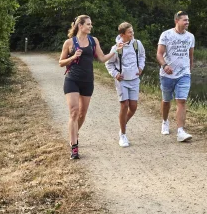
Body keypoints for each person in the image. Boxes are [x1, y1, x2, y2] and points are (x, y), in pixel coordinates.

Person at [59, 15, 122, 160]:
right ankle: (74, 147)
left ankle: (74, 132)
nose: (90, 26)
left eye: (91, 24)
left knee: (82, 114)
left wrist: (115, 51)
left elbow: (102, 58)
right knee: (74, 112)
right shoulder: (69, 42)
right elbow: (61, 62)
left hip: (87, 81)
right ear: (80, 26)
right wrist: (73, 57)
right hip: (72, 80)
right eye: (88, 24)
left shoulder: (93, 41)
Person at [105, 22, 146, 148]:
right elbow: (108, 63)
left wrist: (140, 67)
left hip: (134, 79)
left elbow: (142, 56)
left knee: (133, 107)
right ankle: (123, 135)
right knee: (124, 105)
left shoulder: (137, 44)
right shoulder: (116, 48)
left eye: (132, 31)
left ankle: (123, 124)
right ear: (122, 34)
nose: (132, 34)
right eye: (129, 32)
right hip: (122, 80)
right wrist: (115, 74)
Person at [157, 11, 195, 142]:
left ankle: (180, 131)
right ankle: (165, 121)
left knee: (181, 101)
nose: (187, 22)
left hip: (184, 74)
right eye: (184, 20)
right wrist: (164, 65)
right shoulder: (166, 35)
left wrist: (189, 68)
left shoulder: (190, 37)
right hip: (167, 74)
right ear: (177, 21)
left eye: (188, 20)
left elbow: (191, 55)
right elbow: (159, 54)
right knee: (166, 100)